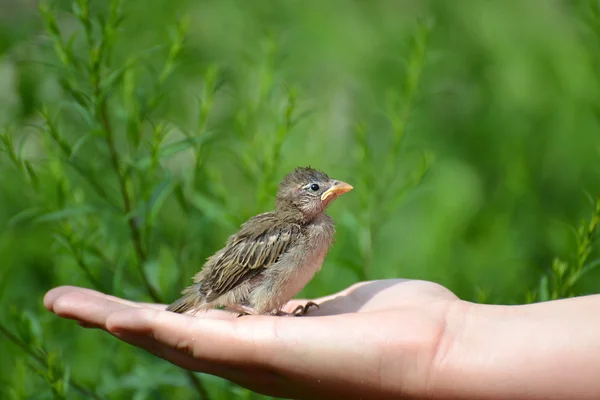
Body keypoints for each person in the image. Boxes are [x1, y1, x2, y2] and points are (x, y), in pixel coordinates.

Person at [43, 279, 600, 399]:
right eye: (317, 188)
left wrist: (444, 345)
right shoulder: (285, 231)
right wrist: (447, 341)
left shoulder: (310, 232)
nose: (330, 192)